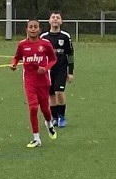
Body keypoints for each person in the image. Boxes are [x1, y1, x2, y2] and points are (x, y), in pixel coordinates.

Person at [10, 18, 58, 148]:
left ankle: (49, 124)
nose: (33, 29)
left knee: (45, 109)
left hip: (43, 81)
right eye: (30, 27)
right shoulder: (22, 45)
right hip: (29, 81)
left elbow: (53, 59)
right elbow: (16, 57)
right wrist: (13, 64)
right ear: (26, 29)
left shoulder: (45, 44)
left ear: (39, 30)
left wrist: (45, 68)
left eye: (35, 27)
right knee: (33, 108)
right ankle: (36, 138)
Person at [41, 12, 75, 127]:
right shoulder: (44, 37)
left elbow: (70, 54)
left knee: (59, 92)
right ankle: (54, 118)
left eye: (58, 17)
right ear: (49, 21)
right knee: (51, 94)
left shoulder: (65, 36)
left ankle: (62, 116)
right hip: (48, 71)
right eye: (53, 17)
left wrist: (70, 72)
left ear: (61, 21)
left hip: (61, 69)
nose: (55, 19)